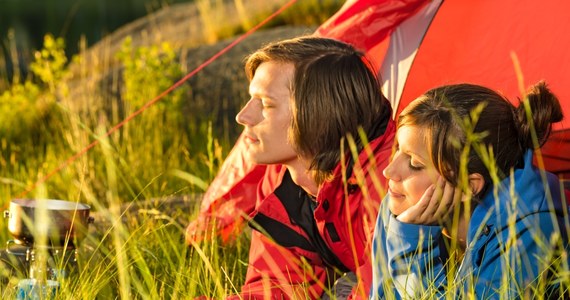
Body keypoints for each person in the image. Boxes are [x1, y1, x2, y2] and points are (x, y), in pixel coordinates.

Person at [224, 36, 395, 299]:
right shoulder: (281, 184)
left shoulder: (391, 177)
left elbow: (390, 281)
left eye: (266, 104)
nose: (243, 116)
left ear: (319, 114)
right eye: (250, 99)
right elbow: (274, 286)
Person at [371, 82, 570, 299]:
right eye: (397, 148)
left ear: (469, 185)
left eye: (415, 163)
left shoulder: (528, 231)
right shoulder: (402, 209)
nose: (389, 171)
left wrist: (413, 250)